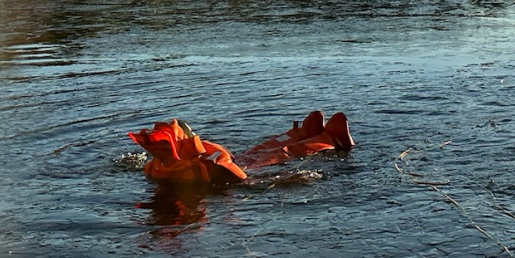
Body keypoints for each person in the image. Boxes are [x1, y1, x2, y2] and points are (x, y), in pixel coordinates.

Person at [129, 110, 354, 185]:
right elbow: (241, 179)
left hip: (236, 163)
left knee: (262, 150)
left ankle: (303, 133)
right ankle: (330, 139)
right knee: (278, 154)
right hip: (240, 169)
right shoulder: (196, 169)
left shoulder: (156, 168)